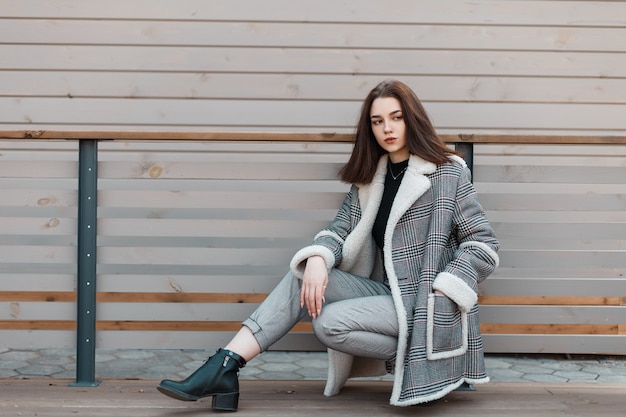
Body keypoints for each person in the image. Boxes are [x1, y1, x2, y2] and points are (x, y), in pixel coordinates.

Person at [157, 79, 500, 410]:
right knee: (302, 275)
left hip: (426, 301)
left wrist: (444, 289)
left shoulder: (447, 172)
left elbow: (482, 243)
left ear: (412, 119)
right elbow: (337, 230)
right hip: (388, 296)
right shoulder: (371, 179)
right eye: (377, 121)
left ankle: (415, 356)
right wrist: (319, 259)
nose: (388, 128)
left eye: (396, 117)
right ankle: (225, 366)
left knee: (328, 323)